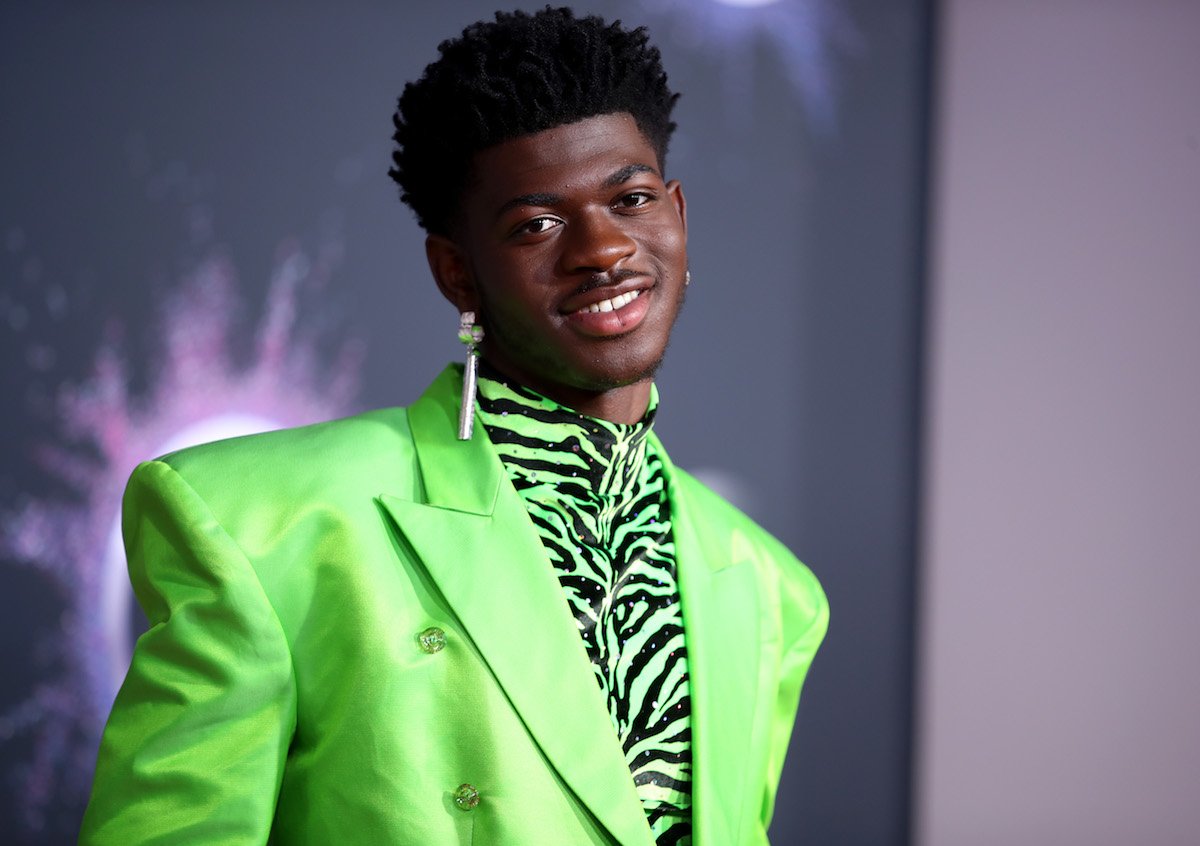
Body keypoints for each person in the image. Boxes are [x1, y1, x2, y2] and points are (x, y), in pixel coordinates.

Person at [80, 7, 827, 845]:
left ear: (678, 216)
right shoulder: (258, 524)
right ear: (456, 272)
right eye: (537, 225)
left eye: (631, 198)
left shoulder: (768, 587)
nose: (602, 248)